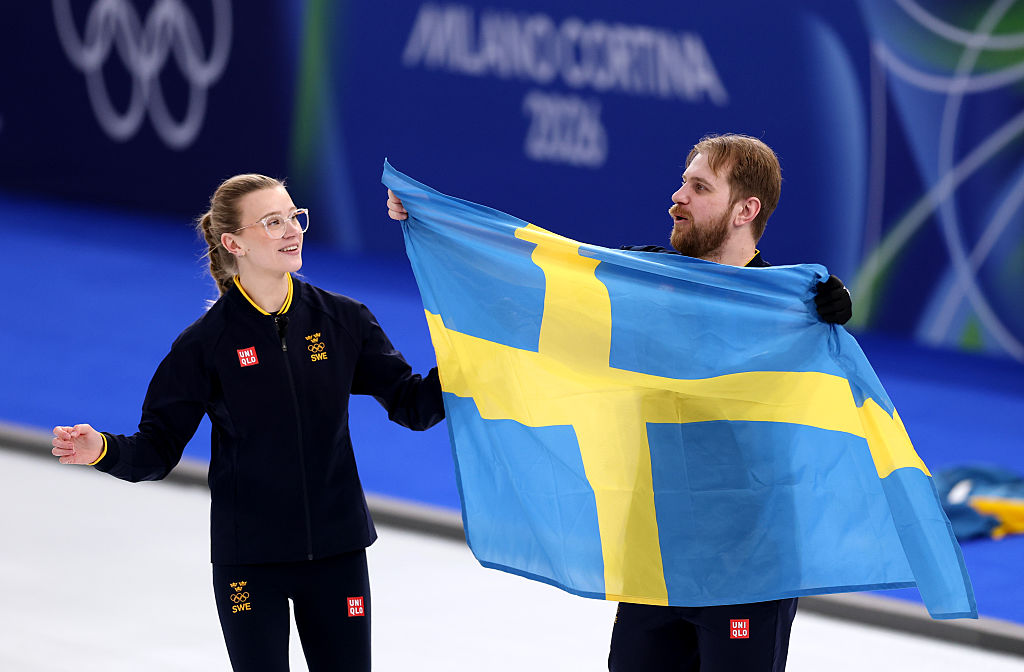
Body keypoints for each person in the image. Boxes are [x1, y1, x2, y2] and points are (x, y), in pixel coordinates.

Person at [386, 133, 853, 672]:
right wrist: (442, 226)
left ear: (746, 209)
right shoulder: (640, 284)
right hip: (656, 555)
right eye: (682, 182)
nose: (676, 197)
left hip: (749, 564)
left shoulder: (790, 308)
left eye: (698, 187)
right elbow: (539, 286)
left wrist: (831, 309)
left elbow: (838, 387)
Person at [52, 174, 444, 672]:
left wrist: (470, 367)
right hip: (250, 562)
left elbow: (412, 404)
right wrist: (102, 449)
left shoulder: (343, 321)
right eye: (273, 222)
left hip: (337, 552)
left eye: (294, 217)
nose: (291, 231)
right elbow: (156, 450)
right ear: (233, 243)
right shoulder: (205, 345)